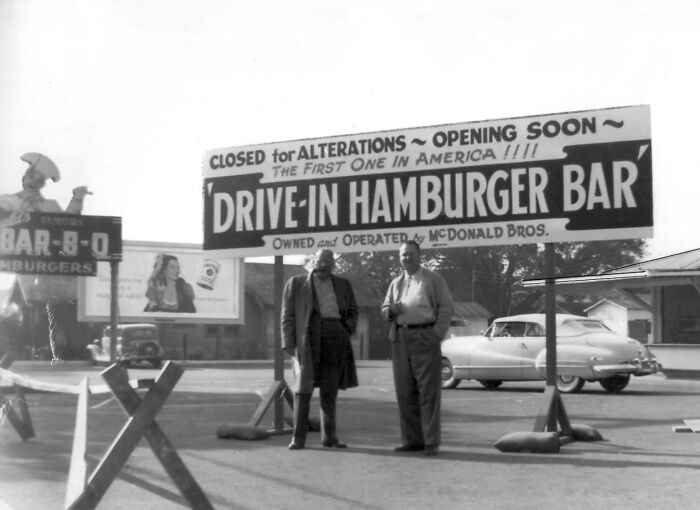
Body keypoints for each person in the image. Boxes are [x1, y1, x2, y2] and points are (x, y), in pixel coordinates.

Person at [0, 153, 92, 363]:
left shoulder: (49, 206)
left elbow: (66, 225)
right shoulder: (7, 200)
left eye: (40, 180)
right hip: (19, 267)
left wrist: (77, 199)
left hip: (44, 273)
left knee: (49, 314)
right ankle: (18, 353)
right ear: (25, 176)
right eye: (32, 176)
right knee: (17, 310)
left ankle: (46, 353)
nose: (34, 182)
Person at [381, 240, 454, 456]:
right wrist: (390, 310)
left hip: (425, 336)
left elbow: (447, 307)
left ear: (419, 255)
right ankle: (412, 440)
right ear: (399, 257)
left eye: (411, 254)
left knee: (428, 392)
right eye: (404, 255)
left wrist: (436, 334)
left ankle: (431, 442)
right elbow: (384, 309)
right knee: (405, 391)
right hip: (400, 337)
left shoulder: (433, 279)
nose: (407, 258)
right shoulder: (396, 283)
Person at [281, 249, 359, 450]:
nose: (323, 264)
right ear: (312, 261)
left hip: (335, 335)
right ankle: (298, 439)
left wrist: (345, 328)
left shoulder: (343, 284)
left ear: (333, 263)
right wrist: (289, 343)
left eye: (327, 261)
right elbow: (287, 315)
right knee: (303, 389)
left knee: (330, 389)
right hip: (308, 338)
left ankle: (329, 438)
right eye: (319, 260)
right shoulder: (296, 284)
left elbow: (353, 311)